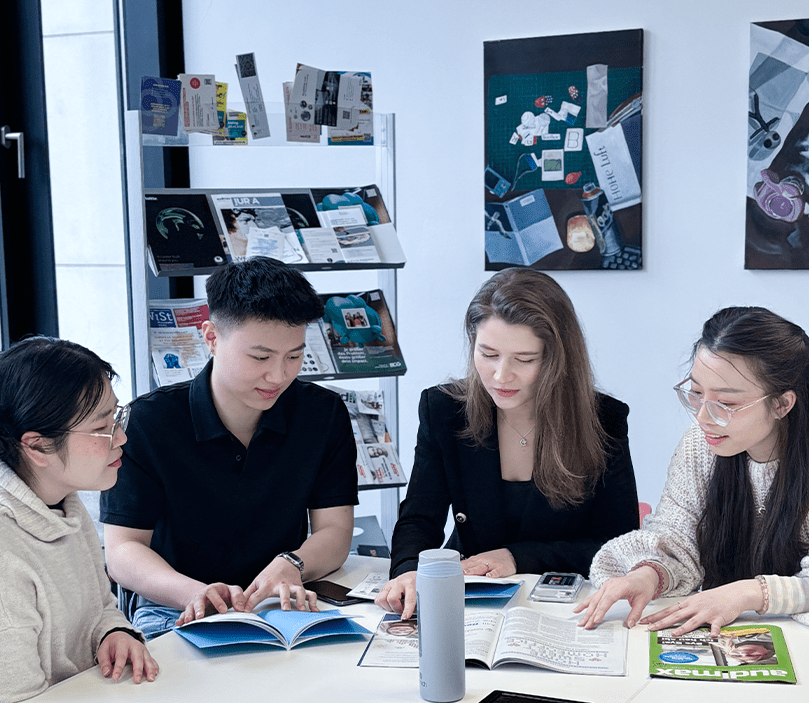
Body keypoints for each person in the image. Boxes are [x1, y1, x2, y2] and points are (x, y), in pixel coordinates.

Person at [101, 257, 358, 638]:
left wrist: (294, 563)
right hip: (174, 602)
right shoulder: (149, 422)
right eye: (260, 357)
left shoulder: (323, 413)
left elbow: (335, 530)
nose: (278, 375)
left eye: (294, 356)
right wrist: (195, 593)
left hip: (282, 598)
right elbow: (122, 552)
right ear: (211, 338)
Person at [375, 268, 639, 618]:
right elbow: (419, 518)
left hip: (564, 607)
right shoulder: (444, 410)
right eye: (488, 354)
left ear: (556, 359)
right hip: (470, 599)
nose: (501, 376)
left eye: (524, 360)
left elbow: (618, 544)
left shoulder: (603, 419)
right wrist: (408, 570)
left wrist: (518, 556)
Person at [0, 337, 158, 703]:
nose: (121, 438)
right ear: (38, 446)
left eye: (117, 417)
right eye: (102, 427)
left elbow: (99, 605)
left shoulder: (57, 497)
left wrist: (113, 632)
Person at [577, 306, 809, 637]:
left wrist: (748, 593)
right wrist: (647, 575)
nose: (702, 417)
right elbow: (676, 533)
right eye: (697, 394)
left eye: (726, 404)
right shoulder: (701, 444)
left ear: (782, 404)